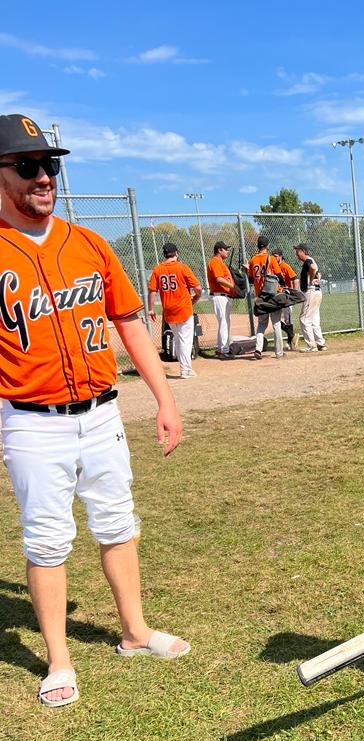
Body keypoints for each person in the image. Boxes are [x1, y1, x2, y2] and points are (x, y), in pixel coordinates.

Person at [0, 112, 190, 709]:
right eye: (27, 166)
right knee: (47, 541)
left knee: (118, 523)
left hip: (102, 413)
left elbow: (130, 322)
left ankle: (134, 633)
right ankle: (59, 659)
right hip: (32, 420)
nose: (44, 177)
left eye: (49, 165)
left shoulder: (87, 243)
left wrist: (165, 397)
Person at [148, 242, 202, 378]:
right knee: (185, 340)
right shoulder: (182, 267)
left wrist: (150, 309)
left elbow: (152, 291)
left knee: (178, 339)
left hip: (169, 310)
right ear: (176, 253)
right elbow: (198, 288)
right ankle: (185, 369)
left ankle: (185, 367)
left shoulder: (157, 269)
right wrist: (196, 297)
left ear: (164, 254)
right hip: (183, 308)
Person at [246, 236, 285, 359]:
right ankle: (279, 352)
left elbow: (251, 279)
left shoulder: (252, 260)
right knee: (276, 324)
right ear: (267, 246)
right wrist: (283, 285)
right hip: (272, 295)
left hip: (261, 297)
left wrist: (247, 269)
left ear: (258, 246)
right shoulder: (271, 258)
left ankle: (258, 348)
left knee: (262, 324)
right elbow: (279, 275)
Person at [294, 243, 326, 352]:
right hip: (317, 292)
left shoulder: (308, 261)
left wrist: (311, 278)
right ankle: (320, 343)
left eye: (298, 252)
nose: (297, 254)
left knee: (304, 319)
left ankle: (312, 346)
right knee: (314, 320)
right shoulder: (311, 260)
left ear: (303, 251)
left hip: (311, 292)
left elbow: (312, 268)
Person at [206, 241, 235, 359]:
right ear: (219, 250)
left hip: (223, 296)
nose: (227, 251)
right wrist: (233, 286)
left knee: (224, 323)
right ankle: (224, 350)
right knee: (223, 323)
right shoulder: (215, 262)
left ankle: (221, 349)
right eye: (225, 249)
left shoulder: (219, 262)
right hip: (219, 296)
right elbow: (219, 279)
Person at [272, 249, 297, 349]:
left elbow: (295, 278)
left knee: (288, 319)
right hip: (276, 295)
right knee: (274, 318)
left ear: (281, 256)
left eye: (276, 256)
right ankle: (291, 334)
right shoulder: (273, 266)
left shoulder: (285, 266)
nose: (274, 258)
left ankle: (290, 341)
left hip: (286, 295)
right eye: (273, 256)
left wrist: (294, 293)